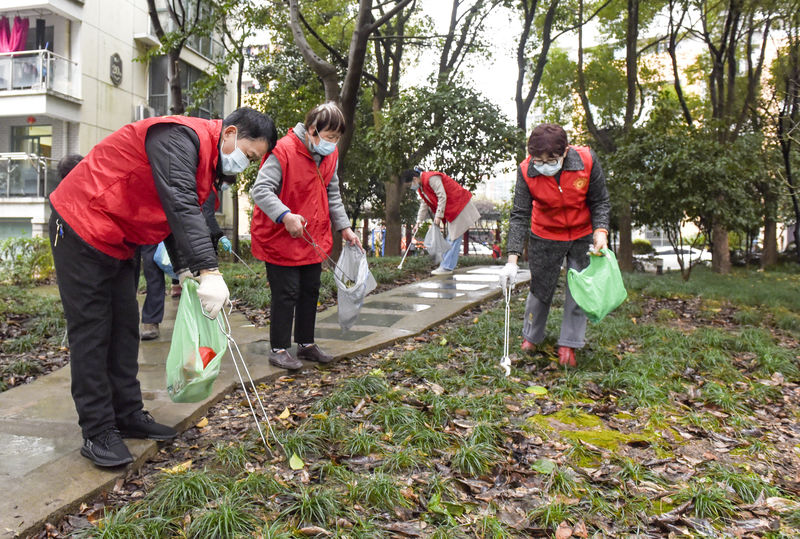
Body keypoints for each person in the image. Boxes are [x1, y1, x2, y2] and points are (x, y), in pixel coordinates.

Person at [48, 107, 277, 467]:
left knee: (125, 329)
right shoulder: (178, 137)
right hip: (80, 224)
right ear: (230, 134)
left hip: (118, 238)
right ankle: (97, 431)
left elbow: (178, 216)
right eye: (248, 156)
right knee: (92, 332)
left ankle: (127, 414)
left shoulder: (204, 162)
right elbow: (180, 203)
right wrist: (209, 272)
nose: (244, 165)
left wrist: (185, 270)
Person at [250, 102, 361, 370]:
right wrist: (286, 215)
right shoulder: (283, 150)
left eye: (337, 138)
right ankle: (278, 349)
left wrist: (344, 227)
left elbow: (331, 193)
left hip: (313, 236)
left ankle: (306, 344)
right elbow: (261, 190)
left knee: (310, 291)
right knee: (286, 292)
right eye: (330, 137)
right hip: (280, 235)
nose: (333, 143)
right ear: (312, 130)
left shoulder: (329, 156)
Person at [498, 123, 610, 367]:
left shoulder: (587, 161)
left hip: (582, 233)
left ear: (565, 152)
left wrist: (600, 231)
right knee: (541, 287)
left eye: (551, 159)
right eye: (538, 159)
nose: (544, 165)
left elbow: (600, 200)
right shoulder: (527, 170)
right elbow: (519, 215)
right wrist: (512, 260)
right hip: (545, 234)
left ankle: (569, 343)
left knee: (579, 288)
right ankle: (531, 336)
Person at [138, 185, 232, 339]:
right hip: (152, 218)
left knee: (188, 273)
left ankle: (195, 319)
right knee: (152, 270)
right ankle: (151, 320)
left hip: (176, 223)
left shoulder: (206, 185)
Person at [401, 167, 480, 275]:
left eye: (410, 185)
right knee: (453, 237)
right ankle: (446, 266)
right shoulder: (422, 187)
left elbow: (442, 196)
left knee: (453, 237)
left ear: (414, 179)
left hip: (460, 205)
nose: (411, 187)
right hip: (454, 208)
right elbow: (424, 204)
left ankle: (446, 267)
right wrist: (418, 222)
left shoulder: (431, 178)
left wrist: (438, 216)